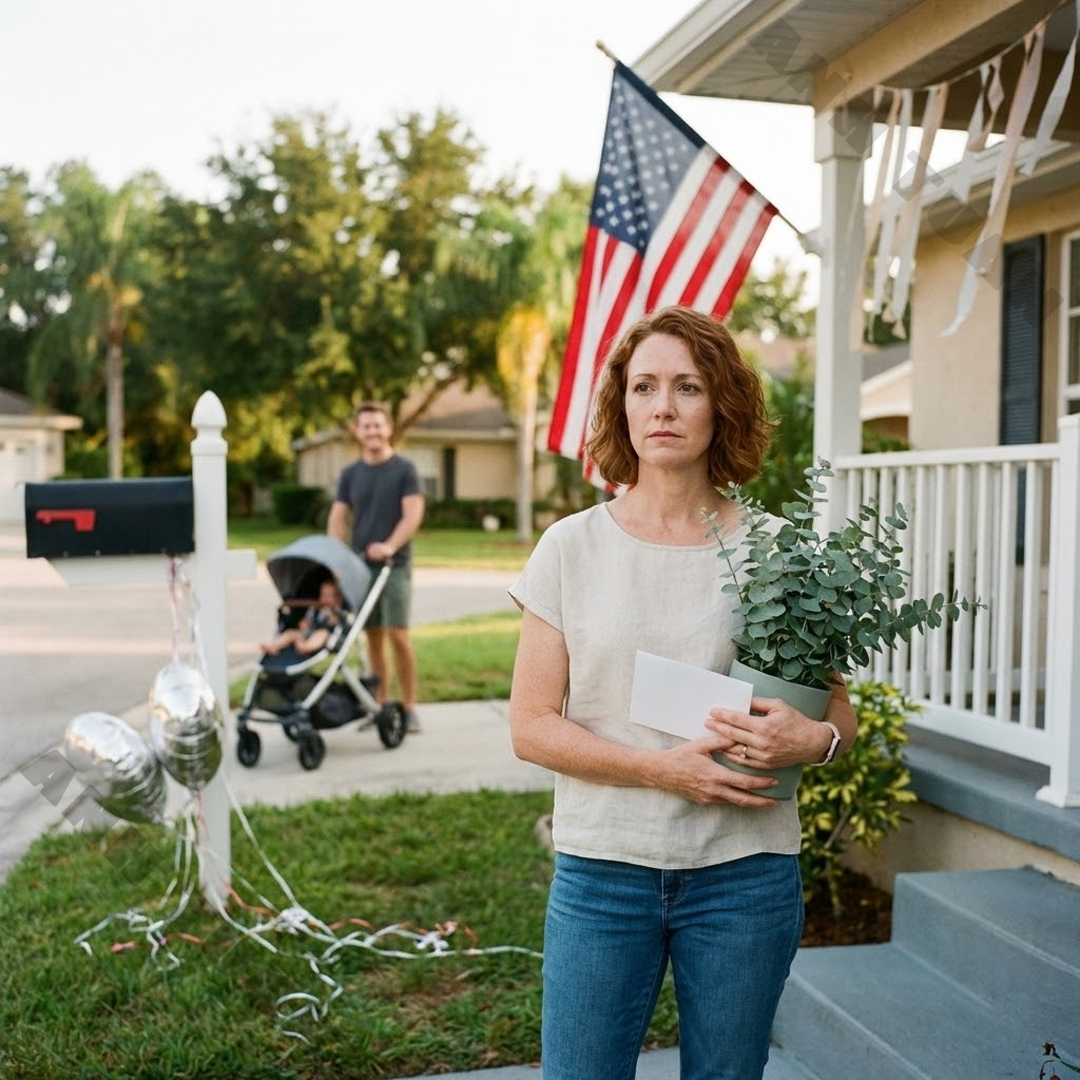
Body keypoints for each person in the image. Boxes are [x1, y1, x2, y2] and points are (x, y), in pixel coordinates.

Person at [507, 305, 858, 1080]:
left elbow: (838, 713)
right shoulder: (568, 548)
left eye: (687, 387)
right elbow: (530, 726)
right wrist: (661, 771)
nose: (662, 407)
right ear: (621, 406)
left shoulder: (779, 553)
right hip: (603, 872)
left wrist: (818, 740)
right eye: (644, 387)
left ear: (721, 405)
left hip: (745, 875)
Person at [327, 402, 425, 732]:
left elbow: (412, 515)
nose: (372, 431)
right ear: (358, 432)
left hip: (394, 566)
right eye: (366, 426)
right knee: (373, 639)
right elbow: (338, 518)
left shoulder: (404, 470)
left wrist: (390, 546)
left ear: (388, 429)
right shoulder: (350, 474)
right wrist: (336, 556)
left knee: (398, 635)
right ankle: (380, 707)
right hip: (360, 567)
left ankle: (409, 708)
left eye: (378, 425)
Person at [261, 579, 343, 657]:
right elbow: (308, 619)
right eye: (323, 595)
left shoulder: (336, 611)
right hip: (308, 633)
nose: (325, 599)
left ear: (337, 599)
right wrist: (304, 623)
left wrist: (331, 615)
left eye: (329, 596)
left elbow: (337, 623)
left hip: (324, 637)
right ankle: (274, 647)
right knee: (291, 633)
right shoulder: (315, 609)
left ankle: (305, 647)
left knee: (323, 634)